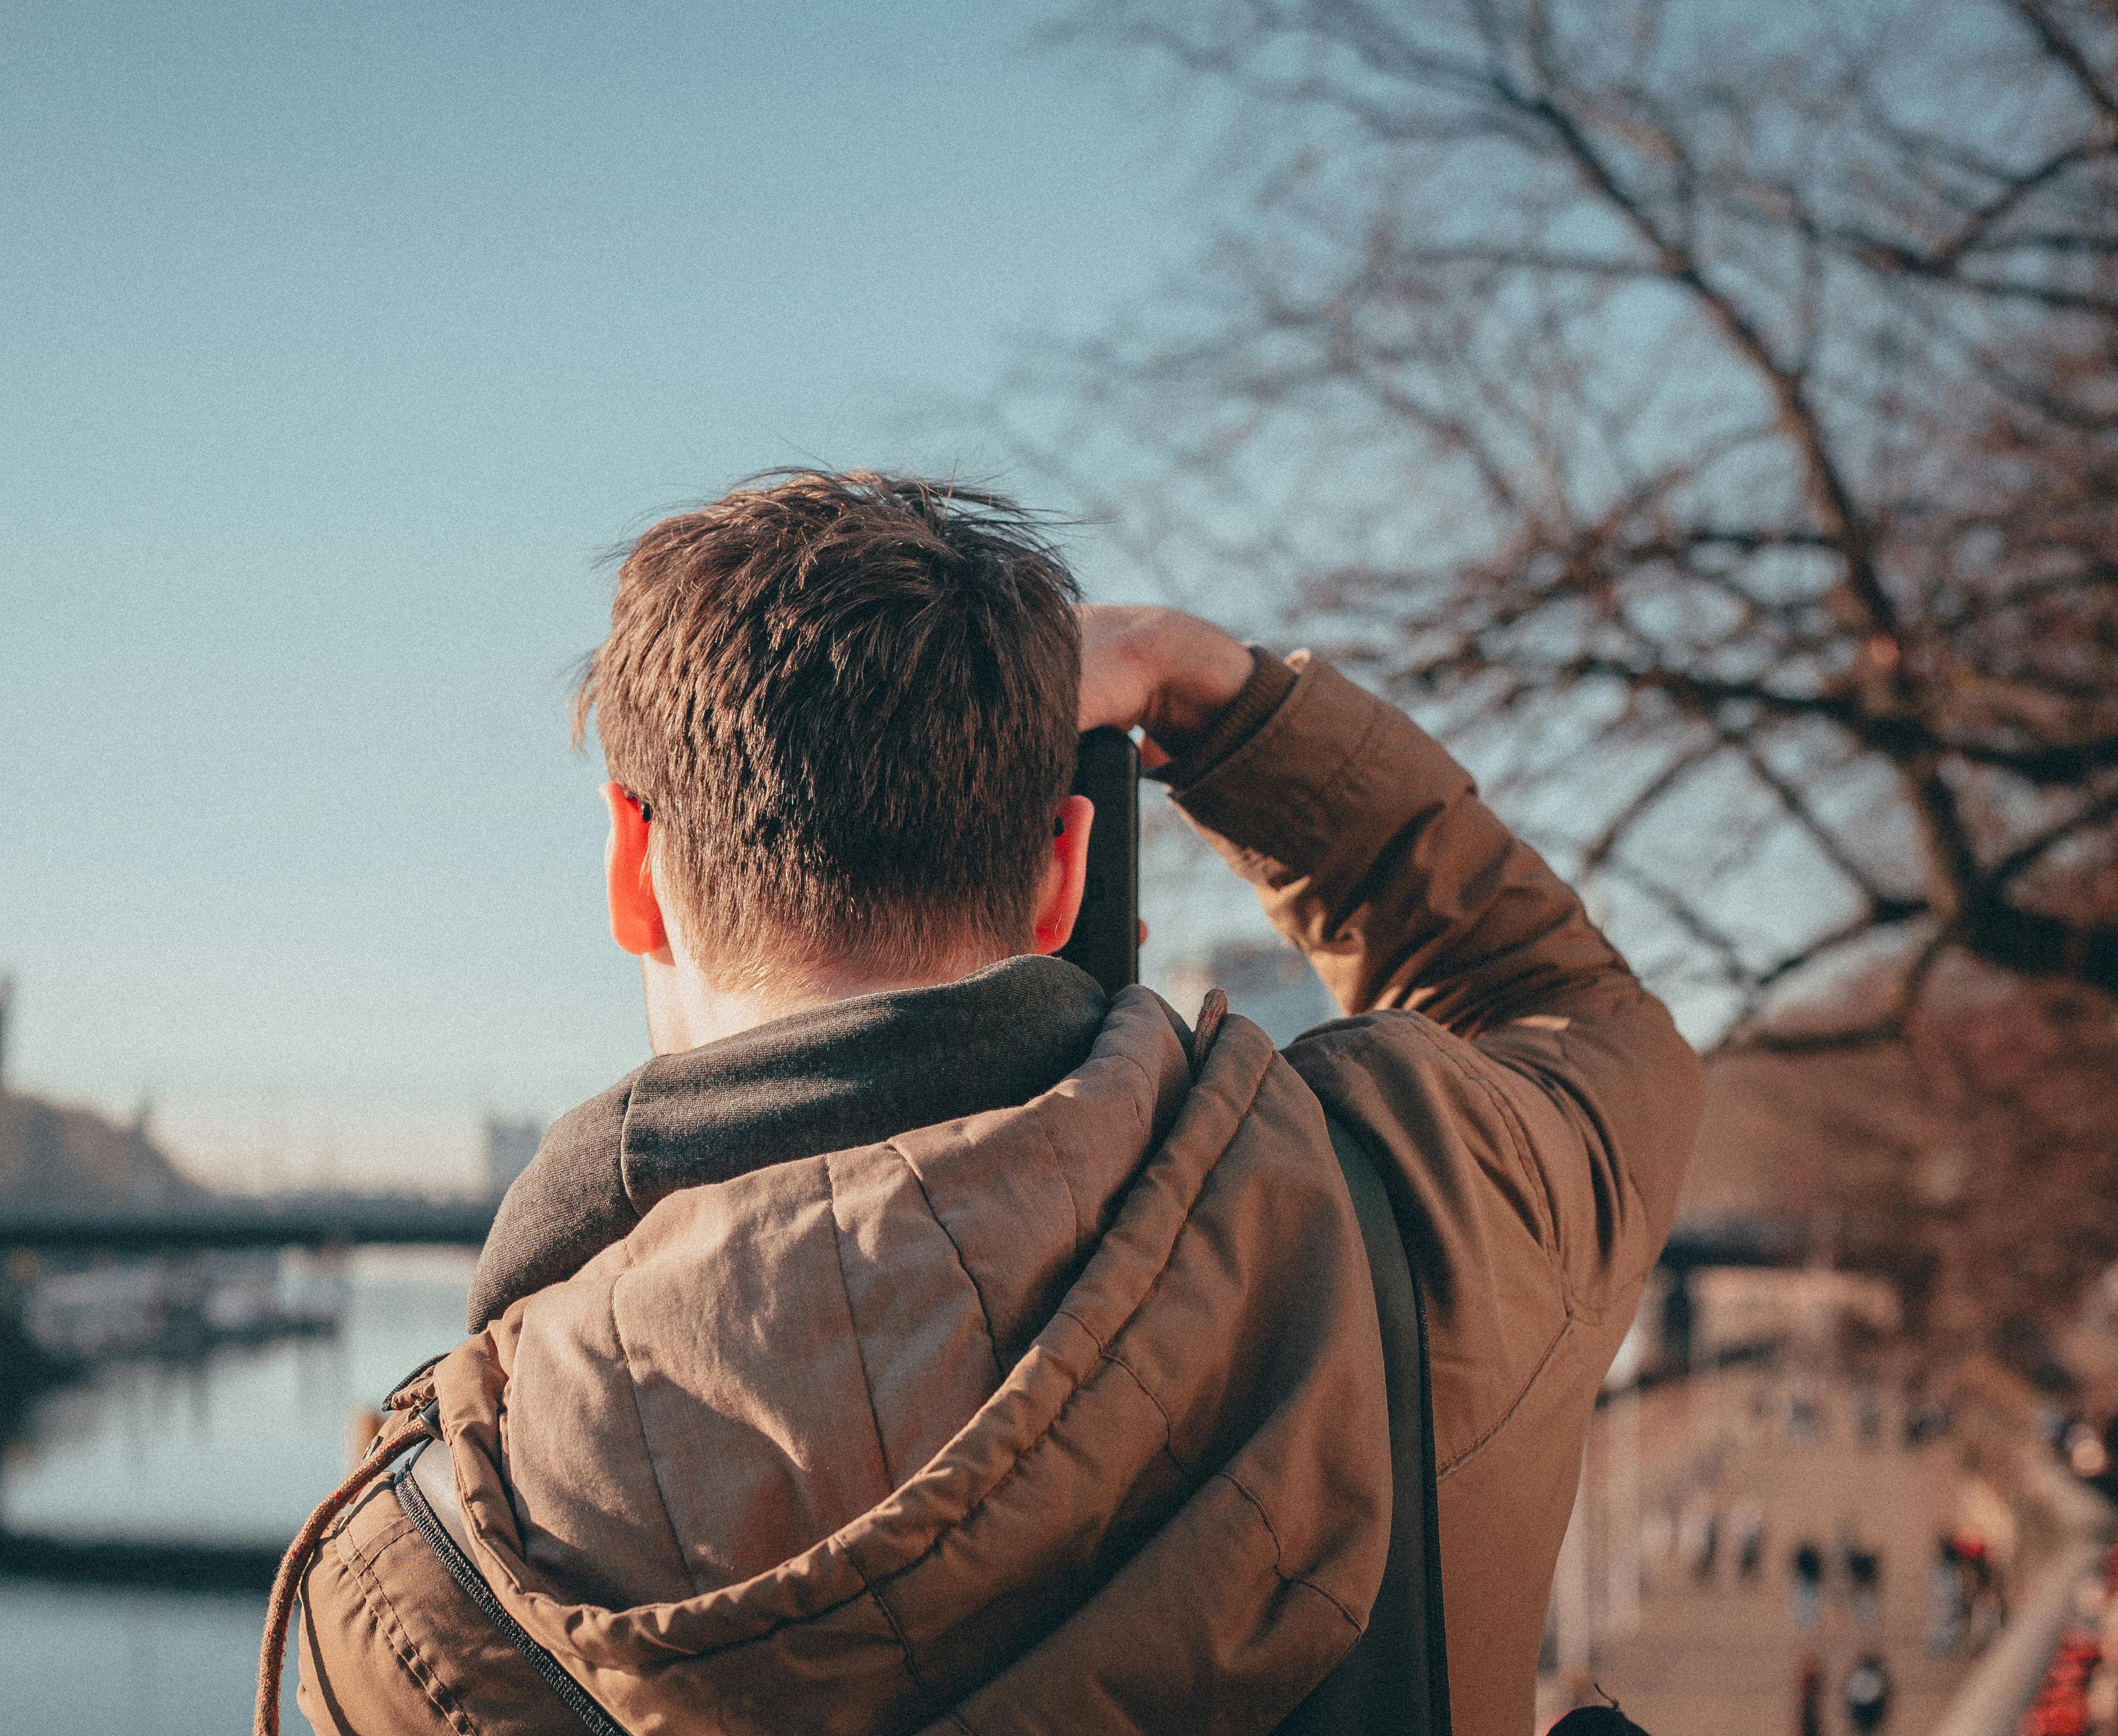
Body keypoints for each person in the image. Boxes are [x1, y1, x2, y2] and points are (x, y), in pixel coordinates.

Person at [262, 475, 1704, 1736]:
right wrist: (1212, 695)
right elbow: (1570, 1009)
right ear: (1065, 866)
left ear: (633, 869)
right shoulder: (1407, 1202)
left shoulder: (422, 1584)